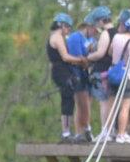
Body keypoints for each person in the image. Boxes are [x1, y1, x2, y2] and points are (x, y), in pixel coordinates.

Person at [106, 15, 130, 143]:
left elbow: (110, 52)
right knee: (125, 107)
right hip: (125, 76)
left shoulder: (116, 37)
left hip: (113, 73)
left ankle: (109, 132)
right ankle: (121, 134)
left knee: (111, 105)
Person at [47, 12, 83, 142]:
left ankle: (67, 132)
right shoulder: (57, 37)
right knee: (67, 100)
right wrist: (80, 60)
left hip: (61, 70)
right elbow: (65, 57)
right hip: (61, 71)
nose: (68, 30)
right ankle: (66, 133)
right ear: (61, 25)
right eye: (67, 27)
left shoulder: (57, 37)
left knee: (69, 100)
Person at [79, 7, 114, 140]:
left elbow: (100, 54)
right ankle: (110, 131)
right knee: (110, 102)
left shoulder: (106, 33)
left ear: (101, 21)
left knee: (103, 103)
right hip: (111, 70)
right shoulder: (117, 32)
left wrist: (88, 57)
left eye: (96, 22)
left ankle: (105, 132)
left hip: (103, 71)